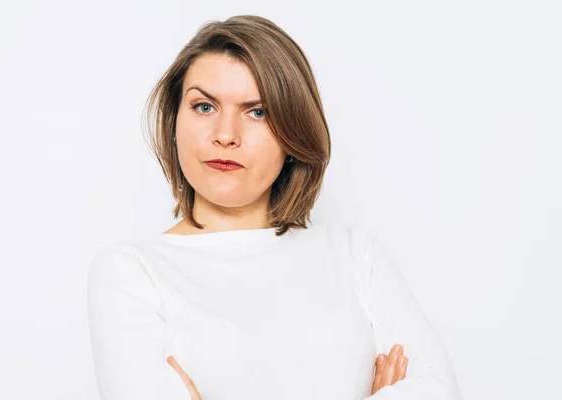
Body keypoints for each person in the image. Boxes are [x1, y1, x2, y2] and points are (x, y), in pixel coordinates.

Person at [87, 15, 462, 400]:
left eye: (257, 112)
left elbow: (438, 389)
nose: (225, 135)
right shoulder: (131, 272)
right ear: (174, 120)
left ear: (293, 133)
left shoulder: (355, 253)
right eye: (204, 107)